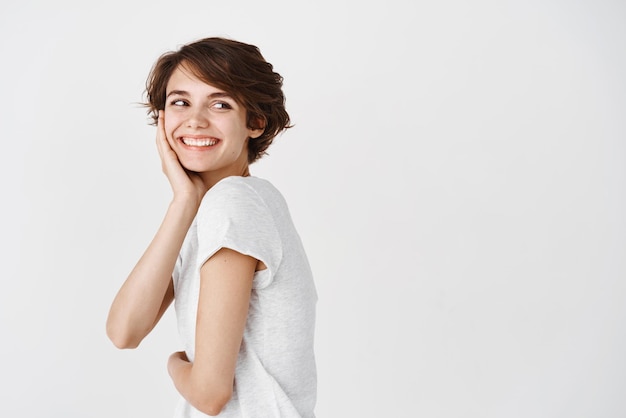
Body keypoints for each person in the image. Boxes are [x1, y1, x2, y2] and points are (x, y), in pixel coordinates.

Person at [106, 37, 317, 417]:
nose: (195, 120)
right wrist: (183, 202)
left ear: (255, 122)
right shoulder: (216, 208)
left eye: (220, 104)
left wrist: (174, 362)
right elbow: (125, 331)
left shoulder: (234, 202)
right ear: (162, 117)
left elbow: (209, 393)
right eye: (180, 102)